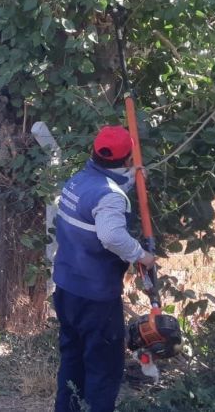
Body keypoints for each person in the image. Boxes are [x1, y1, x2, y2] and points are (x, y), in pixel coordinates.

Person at [52, 125, 157, 412]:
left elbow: (98, 197)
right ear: (126, 160)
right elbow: (111, 235)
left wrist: (129, 180)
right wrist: (141, 255)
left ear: (93, 152)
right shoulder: (110, 197)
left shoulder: (77, 182)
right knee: (103, 369)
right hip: (96, 298)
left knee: (72, 362)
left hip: (66, 289)